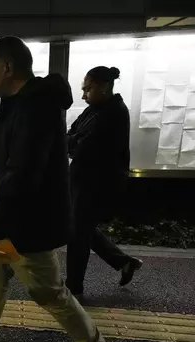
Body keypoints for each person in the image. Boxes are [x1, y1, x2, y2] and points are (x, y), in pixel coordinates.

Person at [0, 36, 122, 342]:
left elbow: (22, 175)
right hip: (13, 216)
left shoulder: (33, 107)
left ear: (8, 68)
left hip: (27, 223)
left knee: (49, 291)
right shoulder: (23, 102)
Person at [65, 66, 143, 300]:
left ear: (103, 86)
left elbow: (82, 146)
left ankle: (74, 289)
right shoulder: (95, 110)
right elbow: (71, 134)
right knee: (81, 228)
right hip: (82, 179)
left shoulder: (115, 113)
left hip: (97, 184)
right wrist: (74, 141)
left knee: (78, 233)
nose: (83, 95)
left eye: (87, 89)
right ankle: (123, 262)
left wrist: (73, 142)